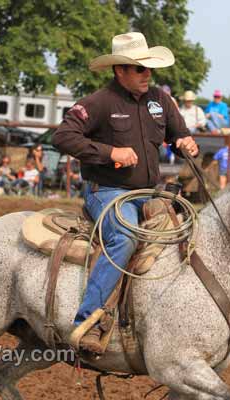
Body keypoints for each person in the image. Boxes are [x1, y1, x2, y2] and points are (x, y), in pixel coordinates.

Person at [52, 31, 198, 353]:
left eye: (149, 68)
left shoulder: (160, 99)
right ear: (120, 70)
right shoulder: (98, 103)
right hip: (106, 191)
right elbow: (62, 137)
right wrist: (109, 153)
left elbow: (179, 134)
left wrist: (185, 142)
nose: (148, 74)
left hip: (149, 192)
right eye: (139, 68)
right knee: (125, 238)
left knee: (187, 231)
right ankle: (87, 320)